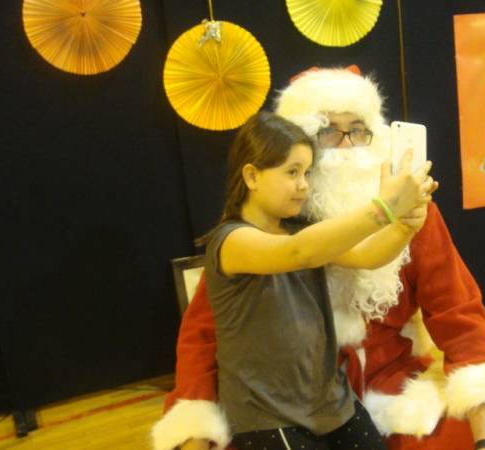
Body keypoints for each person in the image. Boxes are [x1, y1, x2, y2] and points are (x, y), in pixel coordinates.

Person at [152, 67, 485, 450]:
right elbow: (204, 336)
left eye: (358, 130)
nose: (347, 147)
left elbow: (453, 312)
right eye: (328, 132)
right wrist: (195, 431)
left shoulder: (408, 216)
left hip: (386, 398)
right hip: (278, 407)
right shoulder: (259, 235)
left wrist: (405, 225)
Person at [154, 111, 435, 450]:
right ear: (252, 176)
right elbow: (298, 253)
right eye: (292, 172)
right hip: (270, 416)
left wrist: (405, 225)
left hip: (332, 403)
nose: (304, 184)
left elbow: (369, 256)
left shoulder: (301, 231)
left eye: (306, 172)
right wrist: (384, 208)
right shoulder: (231, 241)